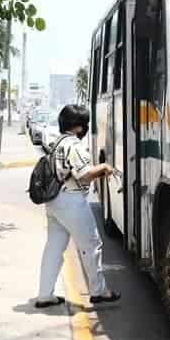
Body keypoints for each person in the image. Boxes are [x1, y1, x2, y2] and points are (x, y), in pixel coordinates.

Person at [35, 104, 120, 308]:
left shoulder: (57, 143)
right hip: (72, 201)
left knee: (53, 249)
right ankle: (98, 291)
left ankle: (45, 295)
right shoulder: (74, 144)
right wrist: (104, 167)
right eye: (85, 124)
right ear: (78, 127)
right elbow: (84, 174)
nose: (86, 127)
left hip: (54, 201)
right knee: (91, 245)